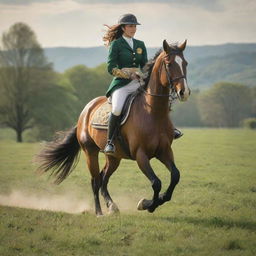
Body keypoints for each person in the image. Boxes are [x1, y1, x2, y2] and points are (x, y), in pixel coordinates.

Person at [103, 14, 182, 155]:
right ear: (123, 28)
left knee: (159, 99)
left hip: (138, 83)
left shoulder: (140, 44)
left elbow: (145, 66)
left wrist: (142, 73)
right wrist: (127, 73)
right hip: (121, 85)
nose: (133, 29)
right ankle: (110, 142)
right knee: (116, 109)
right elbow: (111, 68)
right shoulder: (116, 44)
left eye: (134, 26)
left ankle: (170, 128)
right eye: (130, 26)